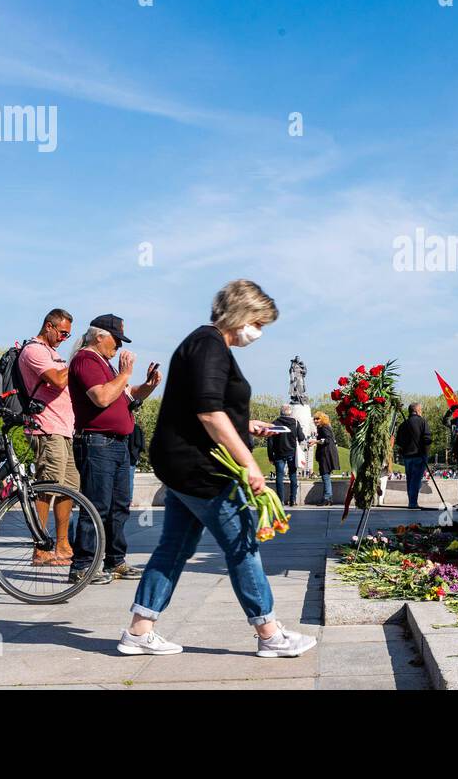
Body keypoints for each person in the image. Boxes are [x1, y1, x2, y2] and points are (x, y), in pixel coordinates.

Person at [117, 279, 316, 659]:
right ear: (241, 313)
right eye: (258, 323)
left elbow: (207, 409)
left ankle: (139, 631)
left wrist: (246, 425)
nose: (258, 332)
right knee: (242, 545)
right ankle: (269, 633)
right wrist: (248, 462)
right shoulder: (210, 346)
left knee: (174, 547)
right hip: (201, 469)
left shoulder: (203, 343)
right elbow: (208, 412)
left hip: (181, 466)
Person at [67, 315, 161, 585]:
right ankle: (83, 565)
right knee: (96, 505)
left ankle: (114, 559)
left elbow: (125, 396)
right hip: (97, 443)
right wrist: (126, 374)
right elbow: (102, 397)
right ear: (100, 336)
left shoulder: (104, 364)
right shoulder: (86, 360)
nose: (119, 346)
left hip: (117, 445)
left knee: (118, 506)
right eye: (116, 340)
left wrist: (147, 386)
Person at [17, 308, 77, 566]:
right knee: (47, 485)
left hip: (65, 429)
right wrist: (77, 357)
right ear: (49, 326)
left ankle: (62, 544)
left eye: (69, 335)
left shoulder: (53, 353)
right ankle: (40, 547)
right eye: (63, 332)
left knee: (68, 489)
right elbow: (57, 381)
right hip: (46, 427)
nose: (64, 337)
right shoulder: (34, 350)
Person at [266, 404, 305, 507]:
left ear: (280, 412)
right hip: (292, 452)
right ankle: (293, 500)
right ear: (290, 413)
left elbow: (270, 442)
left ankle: (280, 500)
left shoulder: (274, 424)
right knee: (293, 475)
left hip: (279, 453)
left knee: (279, 476)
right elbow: (301, 437)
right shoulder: (295, 423)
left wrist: (270, 456)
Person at [395, 402, 431, 510]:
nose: (421, 412)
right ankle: (412, 503)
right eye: (420, 410)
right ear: (417, 411)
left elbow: (399, 441)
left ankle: (412, 501)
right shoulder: (422, 422)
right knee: (416, 480)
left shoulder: (403, 424)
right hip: (419, 456)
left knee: (410, 480)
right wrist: (425, 450)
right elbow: (427, 438)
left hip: (407, 456)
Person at [312, 412, 339, 506]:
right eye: (314, 419)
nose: (315, 421)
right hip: (326, 454)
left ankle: (327, 498)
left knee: (325, 476)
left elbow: (327, 440)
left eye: (318, 419)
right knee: (325, 476)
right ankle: (329, 499)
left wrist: (316, 441)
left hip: (326, 455)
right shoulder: (324, 427)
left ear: (322, 419)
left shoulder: (324, 427)